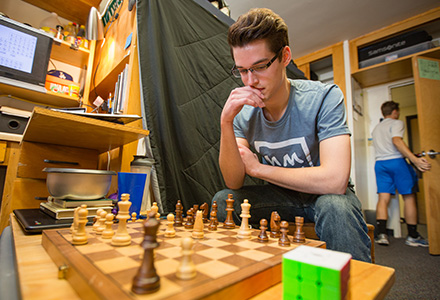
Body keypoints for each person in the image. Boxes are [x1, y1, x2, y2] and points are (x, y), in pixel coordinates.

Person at [211, 8, 371, 262]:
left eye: (260, 66)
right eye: (242, 71)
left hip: (326, 196)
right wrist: (226, 122)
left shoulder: (324, 97)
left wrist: (260, 169)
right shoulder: (243, 113)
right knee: (224, 200)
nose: (250, 81)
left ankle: (357, 289)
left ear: (285, 56)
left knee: (336, 207)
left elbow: (335, 180)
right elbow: (234, 181)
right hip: (281, 195)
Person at [372, 100, 431, 247]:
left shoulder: (376, 128)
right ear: (395, 112)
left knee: (383, 198)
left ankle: (381, 234)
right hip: (396, 162)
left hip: (380, 164)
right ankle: (412, 236)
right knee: (409, 197)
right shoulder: (396, 123)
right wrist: (414, 160)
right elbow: (397, 141)